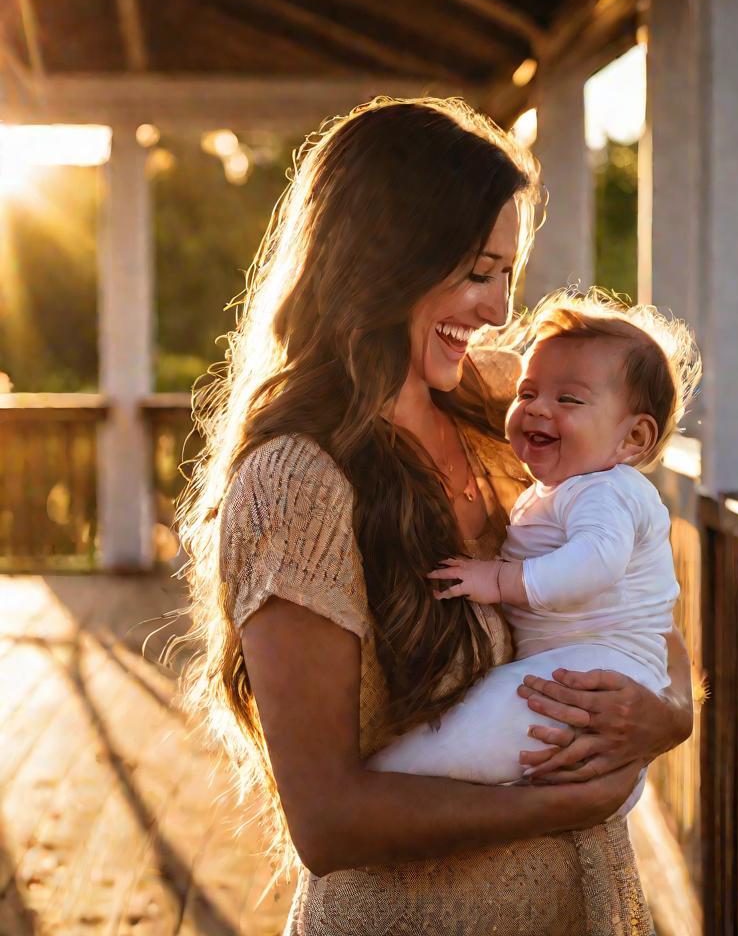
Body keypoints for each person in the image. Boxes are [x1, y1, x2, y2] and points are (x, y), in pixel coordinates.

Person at [175, 97, 695, 936]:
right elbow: (328, 821)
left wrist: (669, 713)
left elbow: (628, 596)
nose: (498, 312)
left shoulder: (494, 403)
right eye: (477, 270)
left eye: (507, 277)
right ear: (384, 255)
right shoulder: (294, 486)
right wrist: (576, 800)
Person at [368, 295, 700, 823]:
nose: (539, 408)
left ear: (633, 438)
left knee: (483, 719)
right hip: (590, 677)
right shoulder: (563, 488)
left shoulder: (603, 491)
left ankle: (382, 781)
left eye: (569, 400)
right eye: (527, 392)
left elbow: (595, 562)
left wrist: (500, 580)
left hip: (595, 675)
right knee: (493, 719)